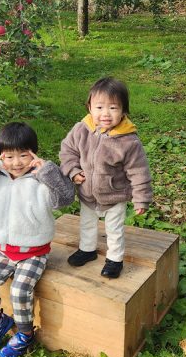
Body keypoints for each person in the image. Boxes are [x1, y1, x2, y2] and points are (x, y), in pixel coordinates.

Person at [0, 122, 75, 357]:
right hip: (4, 250)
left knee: (19, 291)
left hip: (34, 252)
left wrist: (48, 172)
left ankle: (25, 335)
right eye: (9, 156)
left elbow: (65, 198)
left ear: (34, 154)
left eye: (23, 155)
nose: (16, 162)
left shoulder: (42, 181)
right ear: (0, 155)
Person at [59, 77, 152, 279]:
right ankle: (87, 249)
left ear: (124, 110)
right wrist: (73, 171)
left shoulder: (128, 141)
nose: (105, 114)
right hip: (87, 193)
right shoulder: (82, 130)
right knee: (87, 224)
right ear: (90, 107)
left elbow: (139, 171)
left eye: (113, 108)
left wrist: (141, 198)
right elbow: (67, 151)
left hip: (114, 196)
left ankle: (114, 259)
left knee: (114, 230)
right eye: (99, 107)